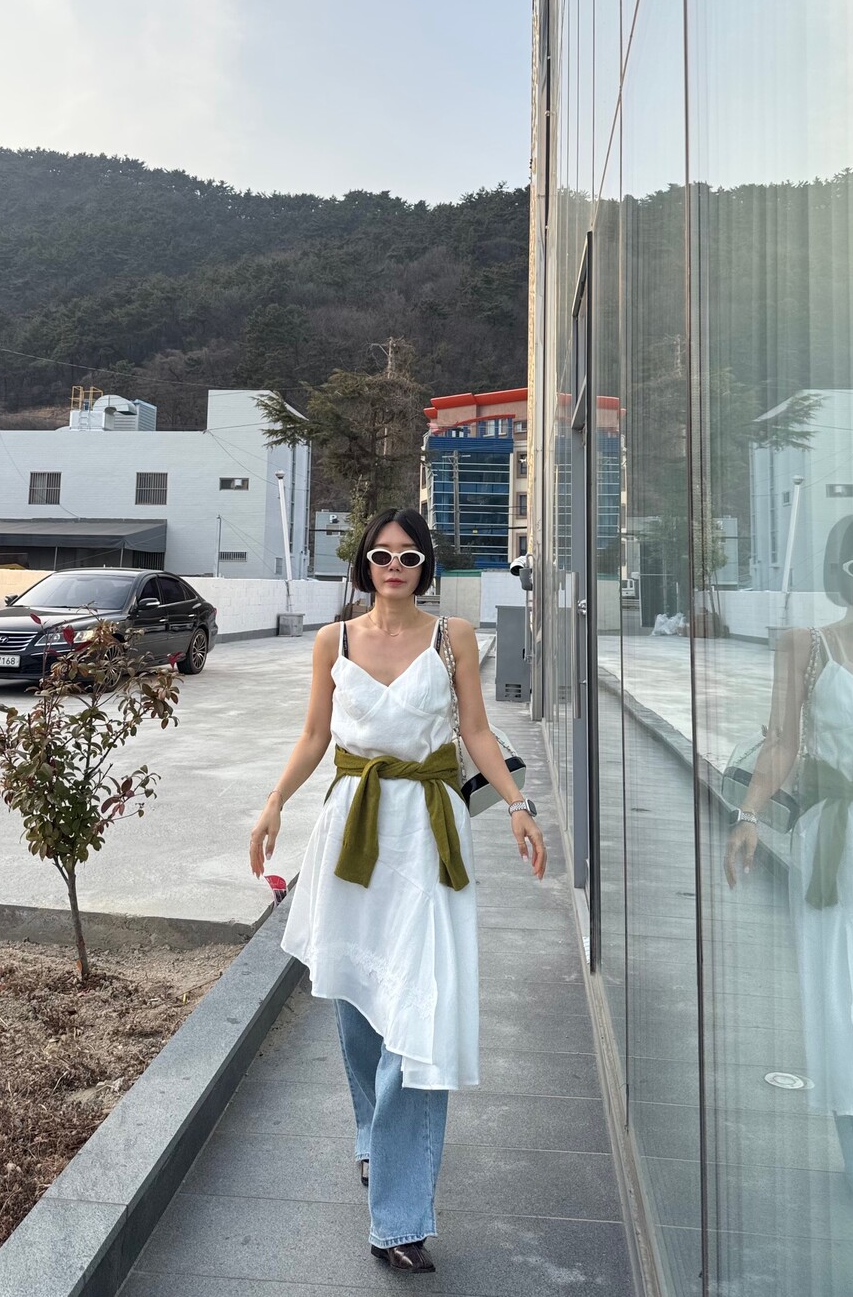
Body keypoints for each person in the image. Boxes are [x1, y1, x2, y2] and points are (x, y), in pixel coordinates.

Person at [249, 506, 546, 1274]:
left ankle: (400, 1218)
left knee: (419, 1011)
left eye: (409, 556)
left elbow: (476, 732)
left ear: (425, 566)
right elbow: (314, 735)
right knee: (356, 1003)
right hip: (352, 833)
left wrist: (518, 803)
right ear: (363, 562)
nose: (394, 566)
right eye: (381, 554)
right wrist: (275, 801)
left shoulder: (454, 638)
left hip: (427, 836)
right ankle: (371, 1133)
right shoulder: (333, 640)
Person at [725, 512, 853, 1272]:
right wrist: (749, 816)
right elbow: (783, 742)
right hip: (841, 853)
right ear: (839, 572)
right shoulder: (806, 646)